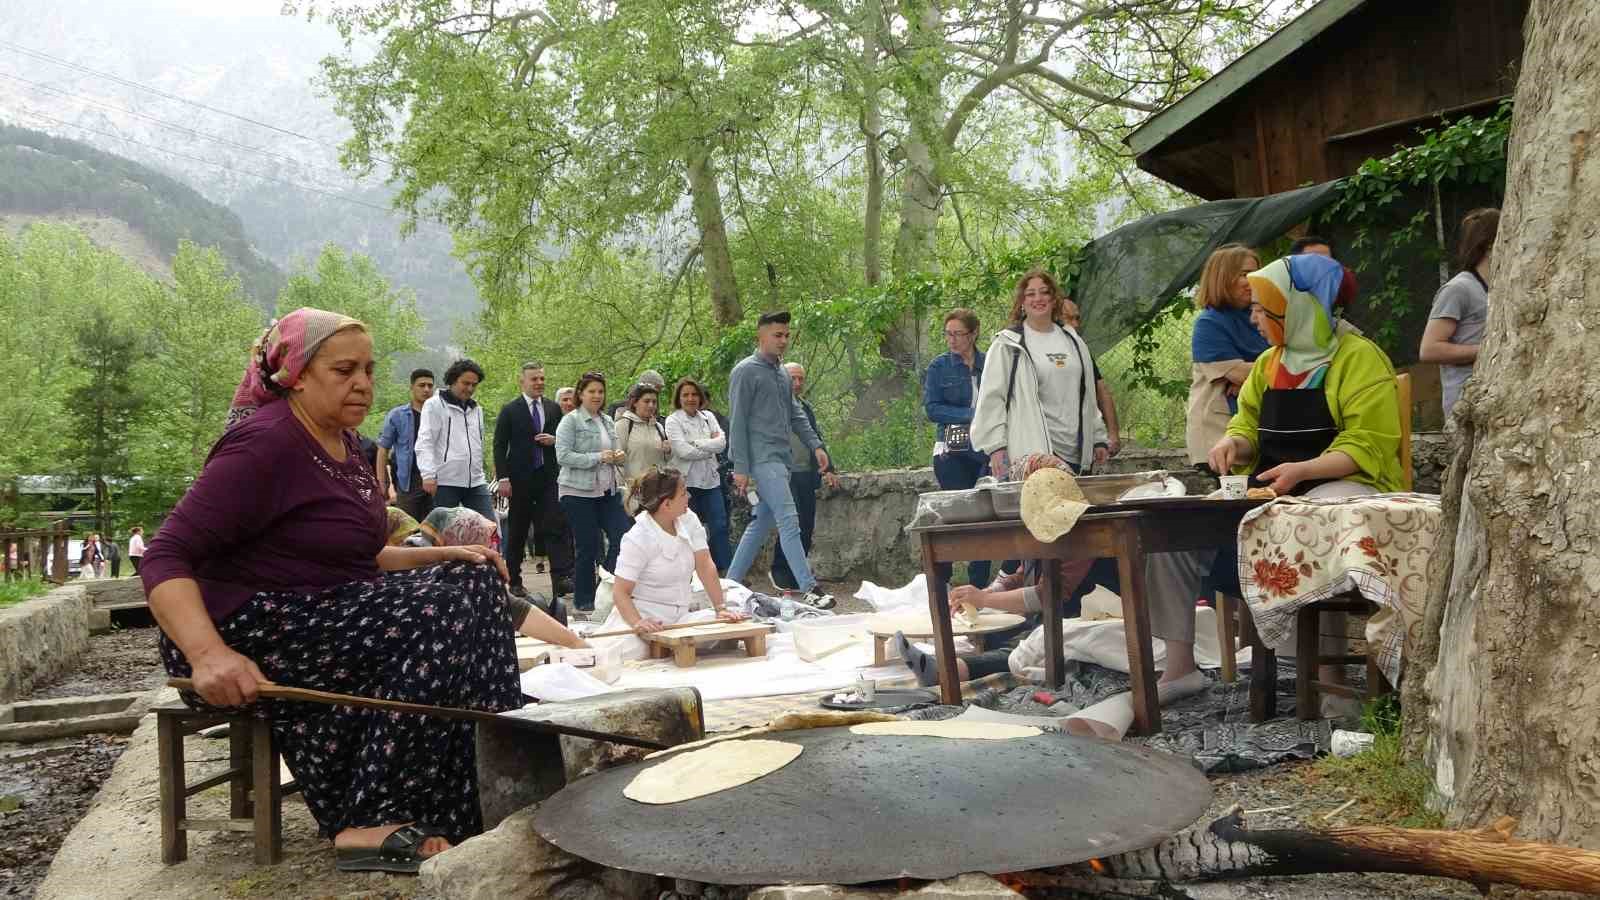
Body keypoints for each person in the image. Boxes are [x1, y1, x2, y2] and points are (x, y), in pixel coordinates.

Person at [139, 308, 523, 873]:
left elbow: (350, 558)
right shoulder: (265, 443)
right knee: (441, 606)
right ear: (296, 374)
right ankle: (370, 816)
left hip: (321, 609)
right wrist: (208, 653)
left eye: (367, 369)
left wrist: (448, 553)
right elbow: (165, 555)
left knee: (474, 582)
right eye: (344, 370)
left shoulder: (344, 445)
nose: (363, 383)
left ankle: (481, 782)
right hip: (242, 627)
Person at [1128, 254, 1403, 724]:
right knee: (1164, 534)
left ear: (1297, 309)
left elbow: (1368, 444)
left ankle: (1329, 684)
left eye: (1261, 309)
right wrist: (1234, 442)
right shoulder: (1271, 363)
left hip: (1342, 487)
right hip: (1273, 490)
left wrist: (1303, 470)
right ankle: (1178, 665)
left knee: (1312, 528)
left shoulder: (1360, 358)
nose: (1253, 318)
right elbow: (1247, 422)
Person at [725, 311, 835, 610]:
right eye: (777, 335)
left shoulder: (783, 374)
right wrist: (741, 468)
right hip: (761, 459)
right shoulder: (745, 372)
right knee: (789, 518)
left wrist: (816, 446)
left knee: (761, 522)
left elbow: (796, 414)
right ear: (761, 336)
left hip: (782, 459)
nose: (783, 340)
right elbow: (737, 422)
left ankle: (729, 584)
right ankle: (809, 587)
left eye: (786, 335)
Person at [971, 270, 1109, 480]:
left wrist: (1098, 437)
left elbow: (1088, 395)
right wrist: (995, 447)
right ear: (1022, 302)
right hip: (1033, 451)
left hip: (1076, 451)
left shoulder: (1074, 341)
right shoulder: (1008, 344)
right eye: (1031, 294)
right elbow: (991, 399)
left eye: (1044, 292)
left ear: (1054, 299)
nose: (1038, 299)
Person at [596, 469, 747, 660]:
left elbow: (705, 564)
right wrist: (638, 623)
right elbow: (620, 592)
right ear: (667, 504)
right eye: (683, 493)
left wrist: (721, 608)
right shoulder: (637, 537)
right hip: (644, 616)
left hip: (681, 618)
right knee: (624, 653)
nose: (689, 497)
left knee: (730, 629)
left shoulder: (688, 519)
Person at [494, 362, 574, 599]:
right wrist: (503, 478)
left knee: (555, 526)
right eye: (534, 379)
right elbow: (499, 446)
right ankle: (514, 581)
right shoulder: (510, 410)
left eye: (541, 378)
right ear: (523, 382)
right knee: (518, 531)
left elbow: (565, 439)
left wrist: (554, 440)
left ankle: (561, 578)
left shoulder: (552, 408)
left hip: (549, 477)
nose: (539, 383)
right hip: (520, 480)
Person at [554, 371, 633, 613]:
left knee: (624, 537)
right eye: (592, 391)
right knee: (587, 546)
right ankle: (584, 602)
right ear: (581, 394)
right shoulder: (570, 421)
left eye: (600, 391)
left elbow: (617, 452)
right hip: (577, 492)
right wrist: (598, 457)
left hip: (607, 490)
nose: (597, 396)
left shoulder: (608, 421)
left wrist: (618, 456)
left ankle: (605, 585)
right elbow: (563, 456)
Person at [924, 308, 992, 589]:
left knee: (986, 515)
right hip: (952, 446)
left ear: (973, 333)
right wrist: (971, 415)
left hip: (986, 446)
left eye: (958, 334)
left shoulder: (991, 363)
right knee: (958, 513)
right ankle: (944, 579)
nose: (951, 340)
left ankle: (979, 585)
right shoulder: (939, 367)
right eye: (947, 334)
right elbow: (932, 409)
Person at [1186, 244, 1269, 468]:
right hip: (1219, 439)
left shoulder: (1263, 313)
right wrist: (1252, 376)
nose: (1253, 280)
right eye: (1244, 274)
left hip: (1257, 430)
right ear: (1222, 277)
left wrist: (1251, 376)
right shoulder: (1209, 323)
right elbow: (1242, 374)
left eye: (1256, 273)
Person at [1420, 208, 1499, 419]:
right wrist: (1490, 350)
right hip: (1465, 407)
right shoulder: (1459, 288)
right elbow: (1429, 350)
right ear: (1490, 244)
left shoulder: (1501, 287)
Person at [770, 362, 841, 592]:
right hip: (783, 473)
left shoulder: (804, 407)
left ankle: (797, 573)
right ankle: (780, 571)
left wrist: (829, 468)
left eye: (801, 379)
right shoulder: (771, 407)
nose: (798, 384)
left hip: (806, 473)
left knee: (807, 524)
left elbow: (815, 438)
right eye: (793, 379)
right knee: (792, 522)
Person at [665, 377, 731, 572]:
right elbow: (682, 451)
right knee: (687, 530)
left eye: (694, 394)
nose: (691, 398)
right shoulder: (673, 420)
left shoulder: (709, 417)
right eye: (685, 395)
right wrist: (708, 445)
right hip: (686, 484)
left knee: (719, 525)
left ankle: (726, 571)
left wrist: (695, 443)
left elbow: (722, 443)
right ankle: (690, 573)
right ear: (679, 397)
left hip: (711, 481)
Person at [416, 359, 494, 519]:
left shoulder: (476, 409)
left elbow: (478, 443)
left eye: (474, 385)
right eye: (465, 383)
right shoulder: (434, 405)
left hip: (476, 480)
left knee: (488, 527)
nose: (470, 388)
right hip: (445, 480)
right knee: (442, 531)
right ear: (453, 380)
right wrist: (428, 475)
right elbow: (425, 441)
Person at [1062, 299, 1121, 457]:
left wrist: (1113, 434)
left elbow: (1101, 390)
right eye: (1068, 318)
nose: (1075, 324)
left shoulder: (1081, 349)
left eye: (1077, 318)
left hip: (1080, 439)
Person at [376, 369, 437, 521]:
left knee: (436, 529)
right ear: (412, 387)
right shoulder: (398, 415)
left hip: (437, 480)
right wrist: (381, 481)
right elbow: (383, 449)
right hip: (408, 481)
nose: (426, 390)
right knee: (406, 528)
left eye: (430, 386)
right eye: (421, 385)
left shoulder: (439, 414)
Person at [616, 382, 673, 508]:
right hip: (635, 493)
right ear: (635, 402)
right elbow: (617, 461)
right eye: (646, 401)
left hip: (658, 492)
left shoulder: (658, 426)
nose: (651, 405)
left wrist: (668, 451)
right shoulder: (624, 425)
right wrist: (623, 491)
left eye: (654, 402)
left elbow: (665, 460)